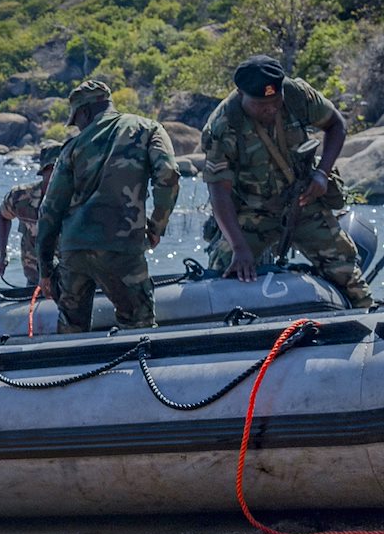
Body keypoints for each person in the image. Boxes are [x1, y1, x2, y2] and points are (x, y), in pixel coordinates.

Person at [200, 55, 373, 308]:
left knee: (346, 271)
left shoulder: (296, 95)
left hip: (304, 200)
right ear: (241, 94)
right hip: (252, 211)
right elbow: (219, 192)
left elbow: (336, 125)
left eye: (274, 101)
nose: (270, 109)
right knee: (226, 271)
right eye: (260, 104)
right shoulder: (223, 125)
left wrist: (322, 173)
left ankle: (365, 320)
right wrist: (239, 246)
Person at [36, 81, 179, 333]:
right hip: (122, 248)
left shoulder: (72, 148)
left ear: (86, 112)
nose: (78, 126)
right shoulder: (147, 129)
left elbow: (50, 209)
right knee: (138, 325)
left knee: (71, 328)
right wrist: (157, 226)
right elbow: (168, 175)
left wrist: (45, 268)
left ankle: (71, 370)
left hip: (74, 252)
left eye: (76, 119)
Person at [0, 144, 60, 288]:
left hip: (69, 280)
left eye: (61, 171)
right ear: (43, 171)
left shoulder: (78, 199)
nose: (56, 176)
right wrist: (2, 255)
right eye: (52, 170)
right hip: (34, 278)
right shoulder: (21, 197)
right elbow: (2, 216)